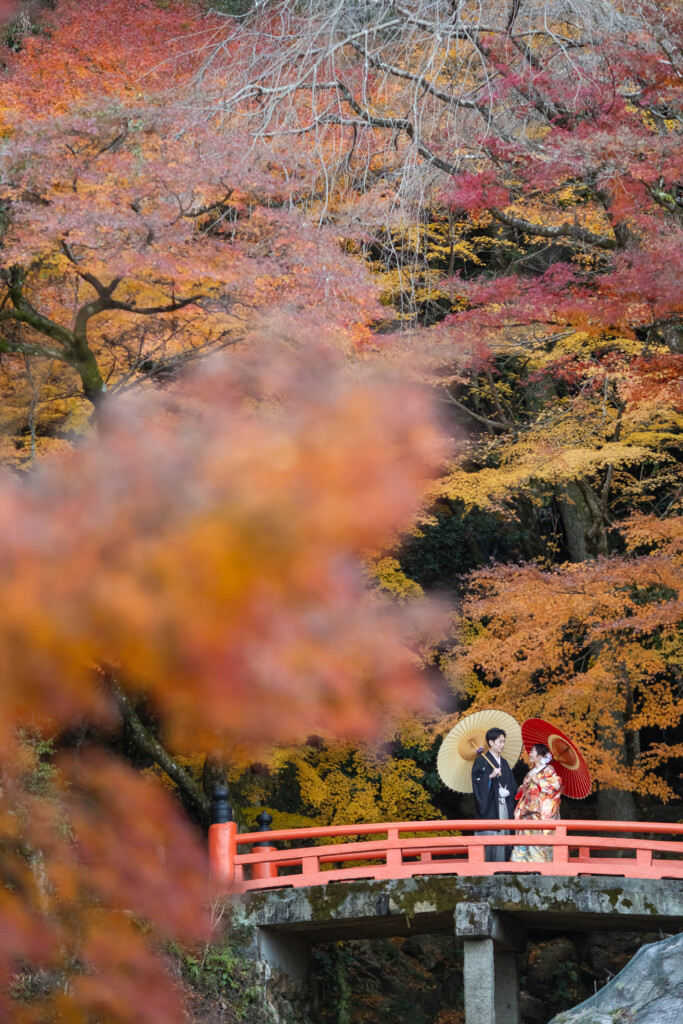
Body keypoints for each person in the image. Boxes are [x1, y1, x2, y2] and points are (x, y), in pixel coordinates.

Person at [510, 743, 562, 862]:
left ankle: (539, 866)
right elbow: (521, 793)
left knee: (537, 841)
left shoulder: (549, 770)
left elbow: (555, 787)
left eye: (532, 752)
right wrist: (525, 786)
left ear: (540, 756)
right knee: (524, 841)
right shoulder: (532, 771)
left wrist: (538, 782)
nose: (530, 754)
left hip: (539, 812)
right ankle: (520, 866)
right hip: (526, 811)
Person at [471, 727, 517, 862]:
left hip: (505, 805)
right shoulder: (481, 760)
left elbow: (512, 785)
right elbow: (477, 782)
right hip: (491, 806)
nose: (503, 745)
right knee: (492, 835)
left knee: (506, 834)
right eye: (500, 742)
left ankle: (505, 865)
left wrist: (518, 789)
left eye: (504, 742)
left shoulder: (504, 763)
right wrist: (490, 776)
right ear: (491, 742)